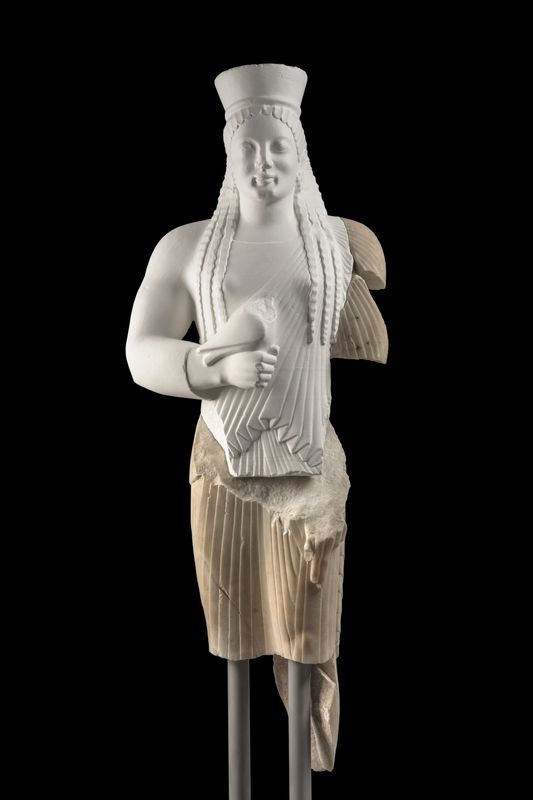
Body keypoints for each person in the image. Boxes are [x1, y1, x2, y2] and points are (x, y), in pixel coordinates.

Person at [126, 64, 387, 787]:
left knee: (307, 636)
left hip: (307, 473)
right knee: (235, 642)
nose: (264, 162)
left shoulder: (339, 243)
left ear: (299, 151)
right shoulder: (186, 248)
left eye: (279, 146)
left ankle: (302, 768)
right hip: (226, 465)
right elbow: (140, 350)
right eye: (249, 147)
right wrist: (209, 368)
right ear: (228, 153)